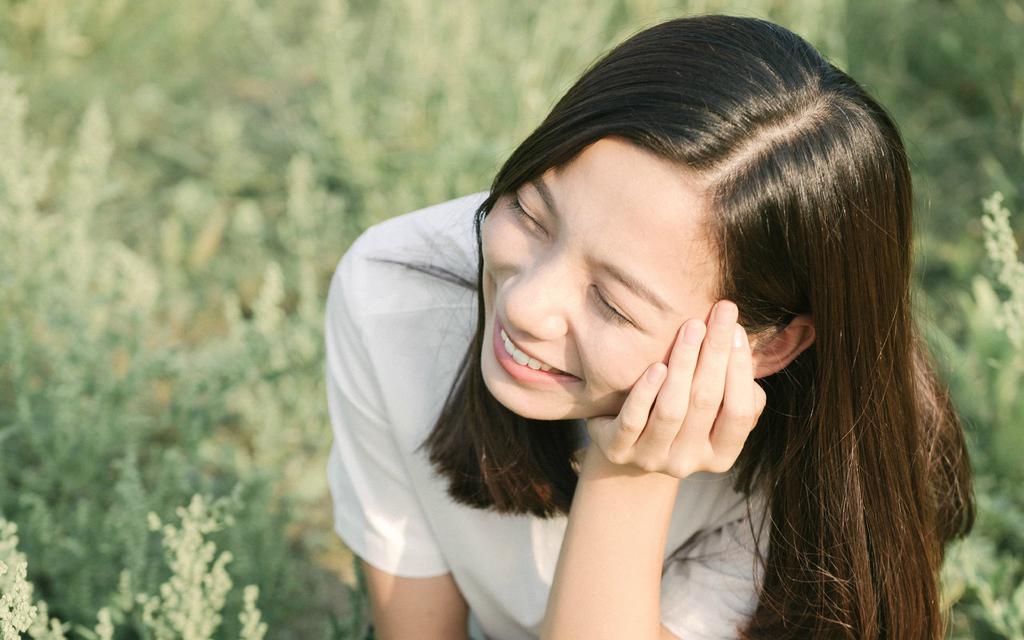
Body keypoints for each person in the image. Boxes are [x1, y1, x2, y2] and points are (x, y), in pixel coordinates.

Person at [324, 13, 975, 640]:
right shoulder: (396, 294)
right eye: (530, 212)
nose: (523, 305)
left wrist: (632, 477)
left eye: (612, 303)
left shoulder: (826, 473)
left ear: (769, 344)